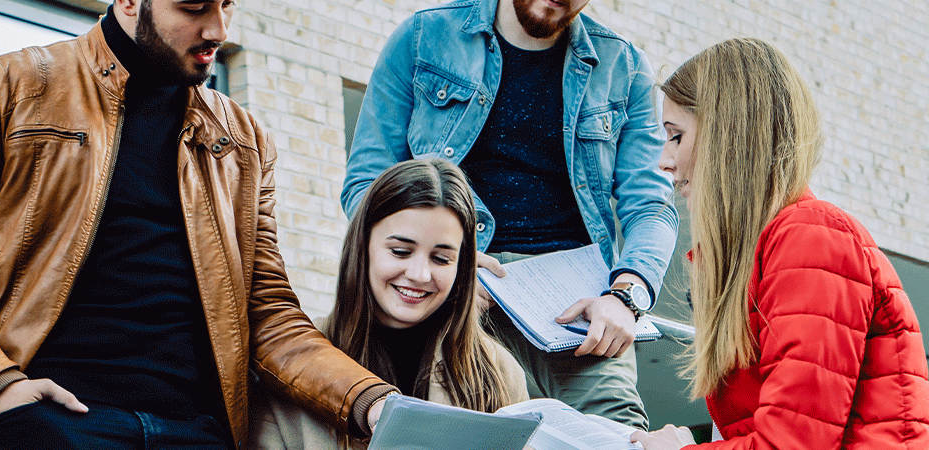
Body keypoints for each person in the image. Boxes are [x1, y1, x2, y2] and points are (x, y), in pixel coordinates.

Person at [0, 1, 398, 448]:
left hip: (197, 435)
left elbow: (269, 315)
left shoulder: (243, 140)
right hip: (49, 429)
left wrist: (373, 402)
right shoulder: (7, 87)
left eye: (227, 3)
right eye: (193, 6)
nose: (217, 28)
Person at [341, 0, 677, 430]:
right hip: (464, 294)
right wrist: (444, 267)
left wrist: (628, 295)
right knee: (463, 436)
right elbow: (368, 184)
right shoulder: (424, 39)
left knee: (619, 436)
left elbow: (650, 203)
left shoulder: (623, 67)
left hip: (580, 308)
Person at [630, 38, 929, 449]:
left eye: (676, 136)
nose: (664, 161)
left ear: (727, 136)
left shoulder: (811, 237)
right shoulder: (780, 246)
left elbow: (792, 443)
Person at [250, 159, 529, 449]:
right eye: (400, 251)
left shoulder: (498, 370)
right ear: (363, 247)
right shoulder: (292, 369)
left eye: (441, 259)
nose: (419, 275)